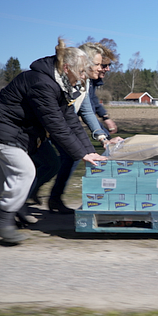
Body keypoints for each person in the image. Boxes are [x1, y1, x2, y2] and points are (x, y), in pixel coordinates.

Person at [0, 38, 108, 242]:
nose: (83, 77)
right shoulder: (42, 83)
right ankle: (5, 222)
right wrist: (82, 154)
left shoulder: (61, 82)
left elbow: (70, 120)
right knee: (25, 171)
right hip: (0, 129)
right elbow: (56, 126)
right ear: (67, 68)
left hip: (7, 130)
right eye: (81, 72)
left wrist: (88, 150)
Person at [45, 42, 121, 214]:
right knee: (47, 165)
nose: (105, 69)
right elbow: (64, 116)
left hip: (62, 126)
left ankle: (48, 198)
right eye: (102, 65)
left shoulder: (85, 84)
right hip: (47, 127)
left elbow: (85, 111)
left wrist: (103, 139)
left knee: (57, 162)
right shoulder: (68, 81)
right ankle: (21, 203)